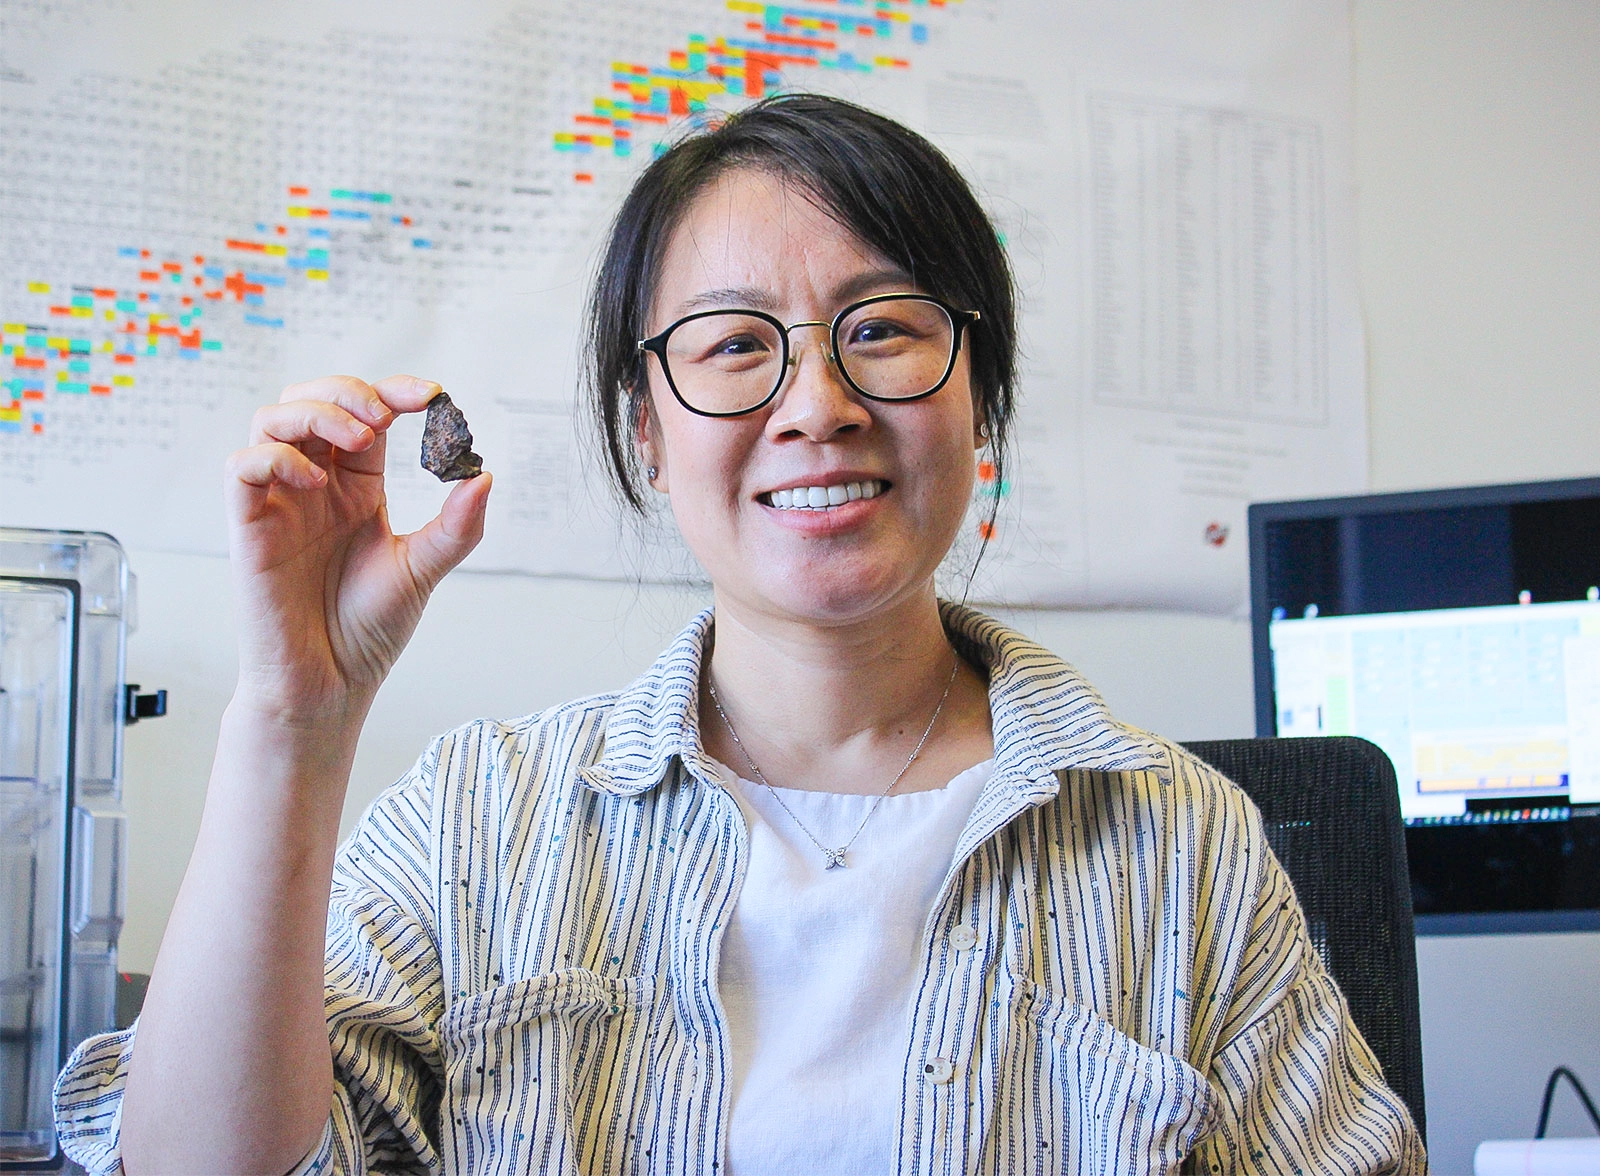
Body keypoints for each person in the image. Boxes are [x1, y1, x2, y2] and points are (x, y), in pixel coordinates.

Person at [54, 94, 1427, 1174]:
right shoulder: (482, 822)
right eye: (730, 344)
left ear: (979, 403)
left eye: (882, 329)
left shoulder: (1181, 843)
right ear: (648, 435)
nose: (818, 402)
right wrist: (297, 718)